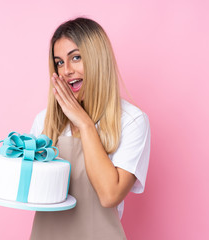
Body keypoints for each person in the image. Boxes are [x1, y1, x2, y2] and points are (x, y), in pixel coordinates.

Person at [29, 17, 150, 240]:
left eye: (75, 58)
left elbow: (109, 195)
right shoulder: (45, 121)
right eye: (59, 62)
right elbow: (30, 191)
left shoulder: (131, 121)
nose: (66, 71)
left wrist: (84, 124)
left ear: (98, 60)